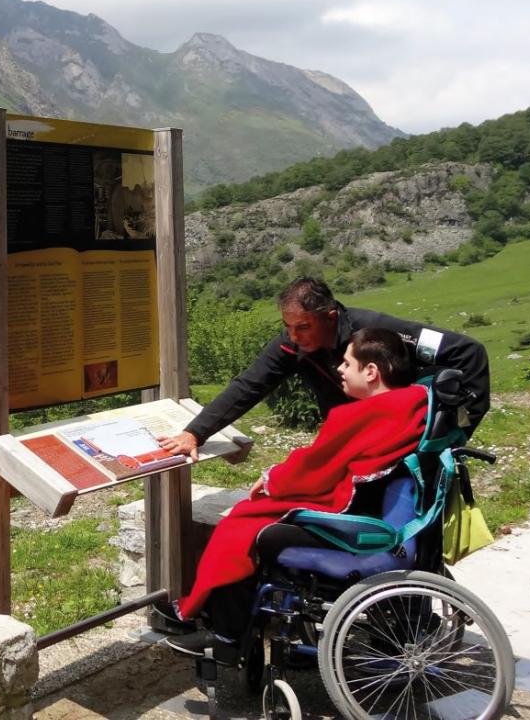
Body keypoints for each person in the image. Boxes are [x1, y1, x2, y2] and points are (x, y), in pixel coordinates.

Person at [159, 328, 429, 656]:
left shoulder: (359, 413)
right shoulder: (414, 401)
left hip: (347, 517)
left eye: (347, 364)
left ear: (371, 371)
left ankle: (225, 634)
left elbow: (316, 470)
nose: (339, 370)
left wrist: (273, 478)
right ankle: (218, 618)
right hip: (382, 511)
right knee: (248, 519)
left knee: (242, 527)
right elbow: (329, 458)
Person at [156, 276, 489, 461]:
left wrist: (454, 428)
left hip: (403, 441)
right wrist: (194, 433)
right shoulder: (293, 345)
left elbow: (467, 353)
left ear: (330, 318)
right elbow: (248, 386)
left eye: (302, 327)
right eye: (287, 326)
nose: (293, 336)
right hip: (352, 444)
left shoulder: (375, 333)